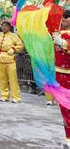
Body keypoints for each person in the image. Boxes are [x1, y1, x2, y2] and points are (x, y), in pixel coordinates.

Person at [0, 21, 24, 103]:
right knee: (2, 79)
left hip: (10, 59)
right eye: (3, 25)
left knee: (13, 79)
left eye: (6, 26)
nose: (4, 27)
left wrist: (13, 49)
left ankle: (16, 97)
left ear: (9, 27)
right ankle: (4, 95)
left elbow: (20, 46)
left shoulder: (14, 36)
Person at [52, 9, 70, 146]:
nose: (64, 19)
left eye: (67, 17)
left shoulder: (61, 36)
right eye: (63, 17)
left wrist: (63, 43)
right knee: (65, 106)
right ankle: (68, 136)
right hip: (61, 74)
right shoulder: (57, 32)